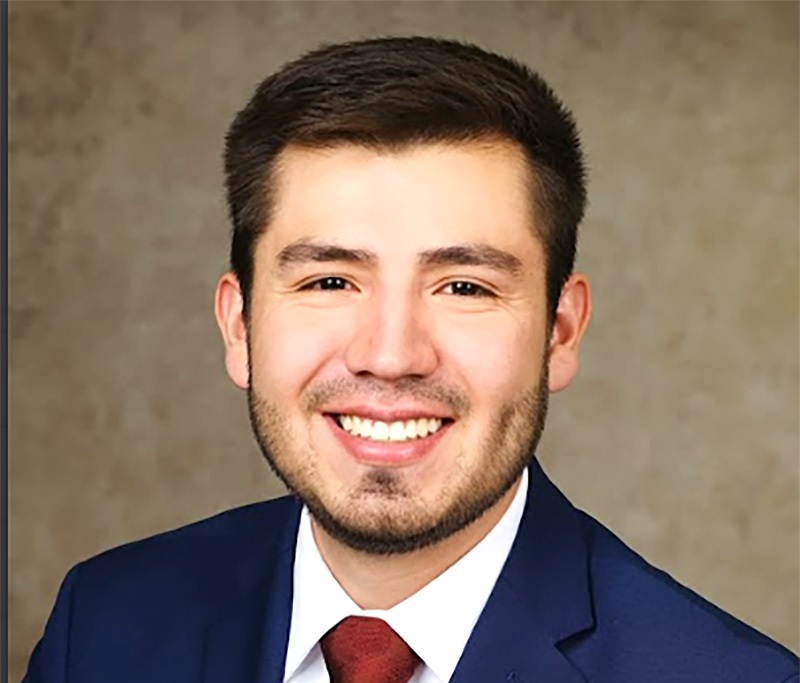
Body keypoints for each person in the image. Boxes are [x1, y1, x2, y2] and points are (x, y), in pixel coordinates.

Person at [23, 36, 798, 683]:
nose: (390, 355)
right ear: (240, 326)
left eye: (464, 286)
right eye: (330, 281)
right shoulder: (103, 625)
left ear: (560, 333)